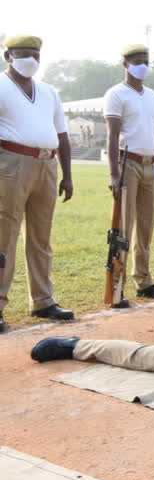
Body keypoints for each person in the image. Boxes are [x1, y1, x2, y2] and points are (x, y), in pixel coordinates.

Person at [0, 34, 75, 331]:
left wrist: (67, 174)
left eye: (35, 55)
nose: (30, 60)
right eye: (22, 54)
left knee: (41, 238)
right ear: (8, 56)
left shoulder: (48, 91)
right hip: (12, 161)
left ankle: (43, 301)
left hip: (48, 163)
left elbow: (63, 135)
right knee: (5, 236)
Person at [104, 44, 154, 307]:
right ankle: (116, 285)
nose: (142, 65)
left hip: (150, 166)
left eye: (145, 60)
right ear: (125, 64)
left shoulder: (153, 96)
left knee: (146, 227)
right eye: (136, 61)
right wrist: (113, 173)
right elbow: (112, 136)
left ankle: (143, 281)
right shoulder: (116, 94)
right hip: (127, 163)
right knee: (124, 226)